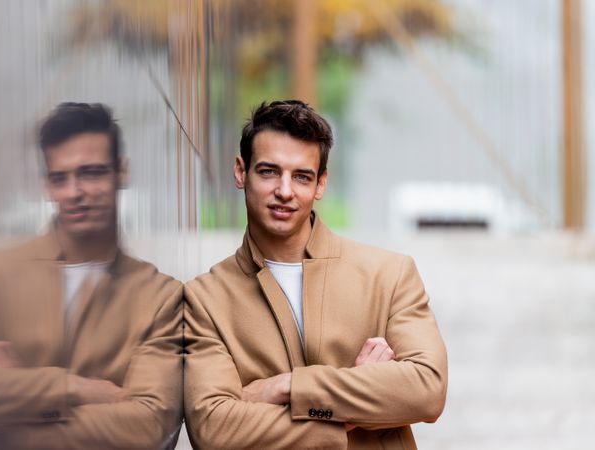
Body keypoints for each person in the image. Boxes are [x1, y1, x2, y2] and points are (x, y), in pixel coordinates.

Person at [183, 100, 447, 449]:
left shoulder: (390, 275)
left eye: (302, 176)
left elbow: (427, 391)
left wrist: (288, 387)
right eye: (268, 172)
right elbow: (215, 430)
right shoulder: (203, 300)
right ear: (240, 171)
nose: (285, 191)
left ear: (321, 184)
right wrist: (354, 399)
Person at [0, 103, 183, 450]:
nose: (74, 192)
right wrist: (75, 388)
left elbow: (147, 428)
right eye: (60, 178)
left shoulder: (161, 297)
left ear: (121, 172)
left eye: (92, 173)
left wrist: (8, 400)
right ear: (46, 185)